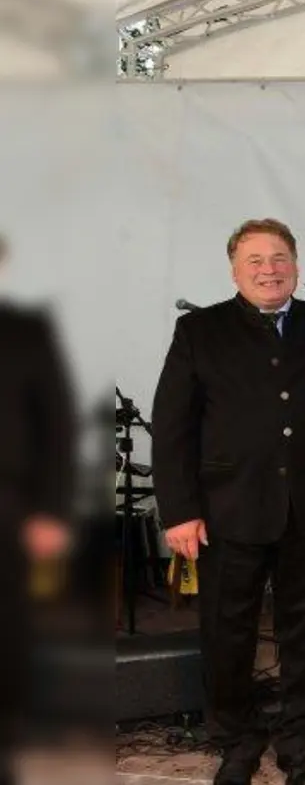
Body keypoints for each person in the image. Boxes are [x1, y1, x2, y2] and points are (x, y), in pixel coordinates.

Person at [152, 219, 305, 785]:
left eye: (279, 258)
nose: (268, 269)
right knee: (227, 631)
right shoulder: (199, 330)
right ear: (234, 269)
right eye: (255, 260)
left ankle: (300, 743)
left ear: (296, 265)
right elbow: (173, 428)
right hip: (227, 510)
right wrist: (179, 511)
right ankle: (236, 741)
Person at [0, 233, 77, 785]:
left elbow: (57, 425)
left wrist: (51, 510)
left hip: (12, 505)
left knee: (9, 630)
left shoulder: (28, 332)